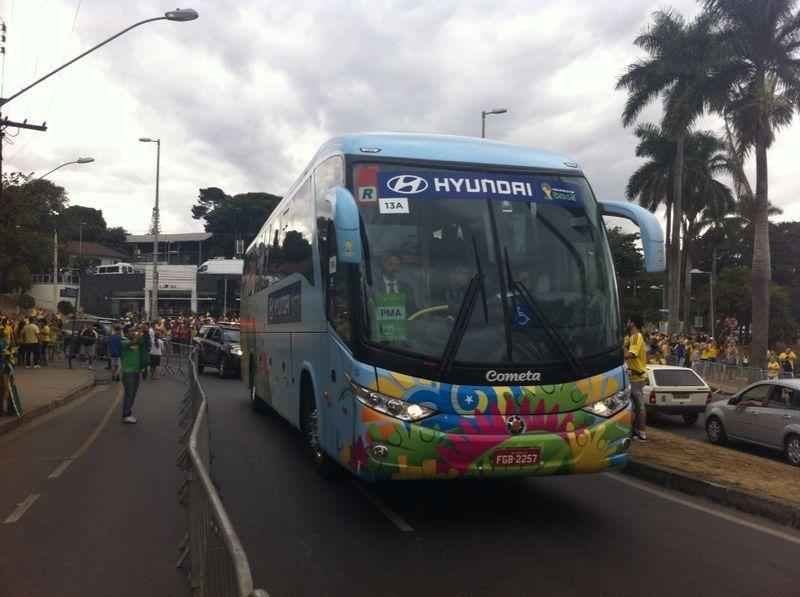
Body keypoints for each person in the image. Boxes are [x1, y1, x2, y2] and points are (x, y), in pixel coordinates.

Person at [624, 314, 648, 441]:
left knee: (639, 405)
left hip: (637, 377)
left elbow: (631, 354)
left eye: (628, 321)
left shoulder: (636, 336)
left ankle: (641, 433)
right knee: (632, 406)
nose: (627, 323)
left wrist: (620, 349)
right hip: (631, 376)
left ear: (632, 323)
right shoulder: (630, 337)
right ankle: (635, 431)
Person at [120, 325, 144, 424]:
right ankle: (126, 415)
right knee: (129, 394)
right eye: (131, 331)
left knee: (133, 394)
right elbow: (133, 342)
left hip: (136, 371)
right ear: (126, 333)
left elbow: (142, 342)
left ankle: (128, 413)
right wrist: (140, 331)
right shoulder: (124, 342)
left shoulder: (135, 342)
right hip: (128, 372)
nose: (133, 332)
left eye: (134, 331)